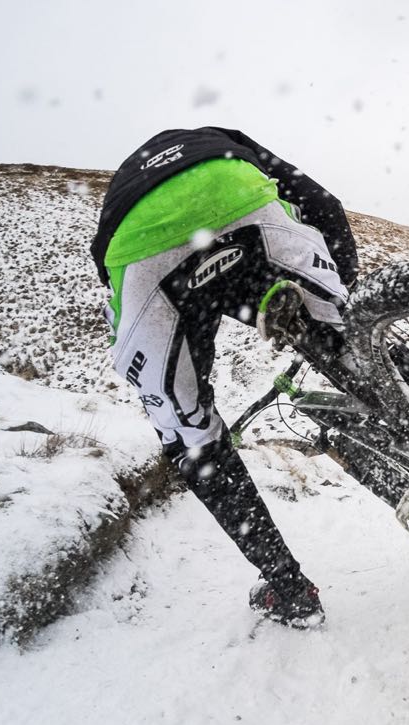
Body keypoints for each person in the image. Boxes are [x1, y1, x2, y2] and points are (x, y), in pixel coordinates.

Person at [90, 127, 359, 628]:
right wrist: (349, 303)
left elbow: (110, 282)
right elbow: (324, 204)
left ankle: (291, 591)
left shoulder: (116, 202)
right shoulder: (220, 140)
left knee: (191, 438)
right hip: (240, 201)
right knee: (350, 341)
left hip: (142, 252)